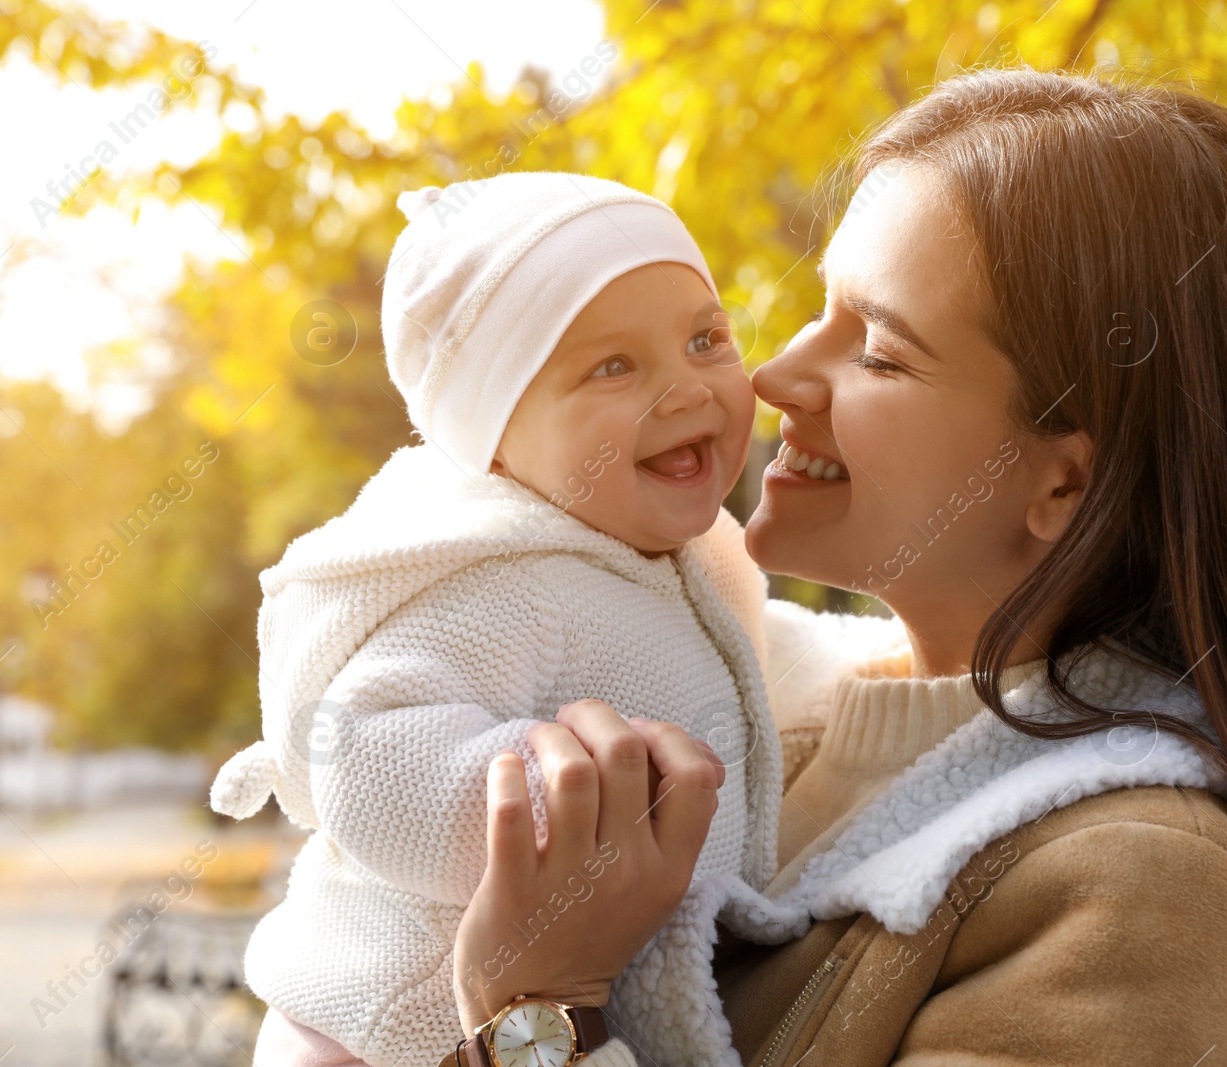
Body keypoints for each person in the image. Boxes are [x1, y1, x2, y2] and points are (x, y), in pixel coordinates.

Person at [448, 68, 1227, 1067]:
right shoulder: (763, 734)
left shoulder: (1153, 897)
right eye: (823, 310)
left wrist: (530, 1010)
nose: (773, 375)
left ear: (1064, 485)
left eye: (878, 352)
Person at [209, 171, 902, 1067]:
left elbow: (760, 650)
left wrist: (896, 656)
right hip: (385, 1027)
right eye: (613, 366)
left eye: (705, 338)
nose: (686, 389)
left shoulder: (680, 557)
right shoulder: (506, 578)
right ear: (495, 439)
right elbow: (366, 746)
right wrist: (555, 808)